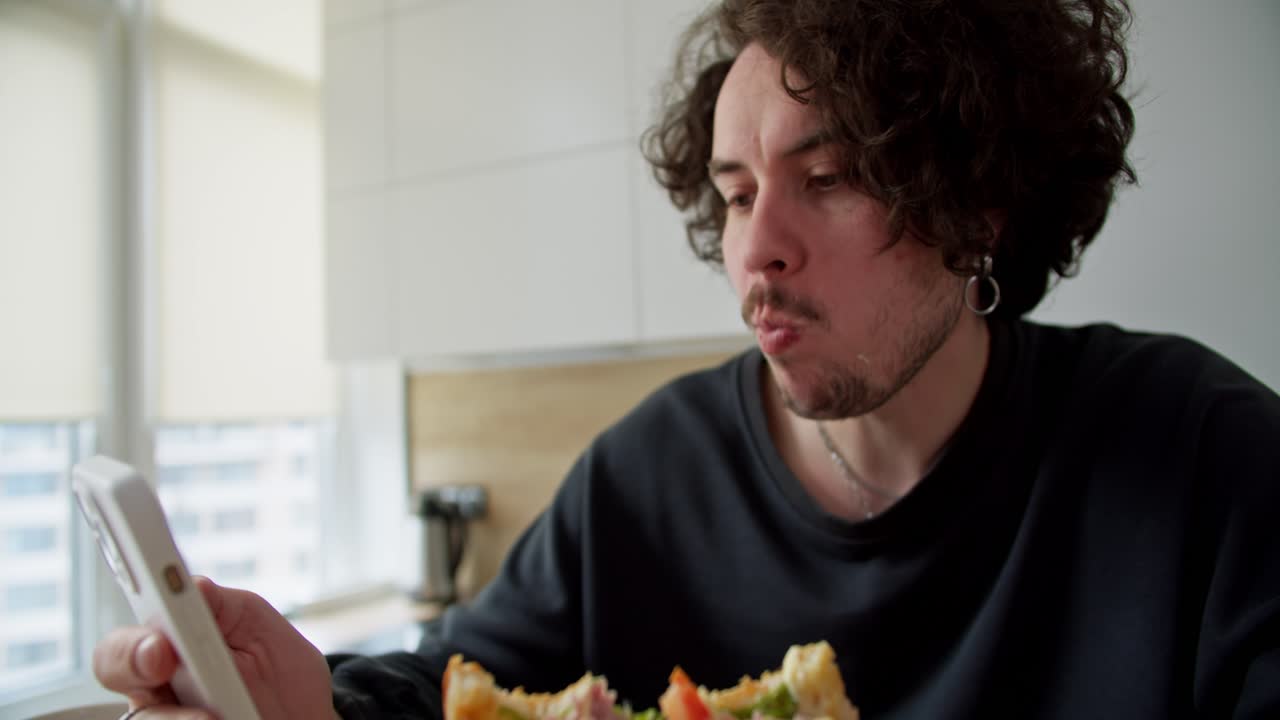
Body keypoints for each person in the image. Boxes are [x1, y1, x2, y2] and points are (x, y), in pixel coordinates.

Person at [94, 0, 1280, 718]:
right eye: (732, 193)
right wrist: (322, 704)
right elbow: (460, 687)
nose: (754, 248)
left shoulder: (1204, 458)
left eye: (826, 180)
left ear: (979, 206)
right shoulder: (647, 474)